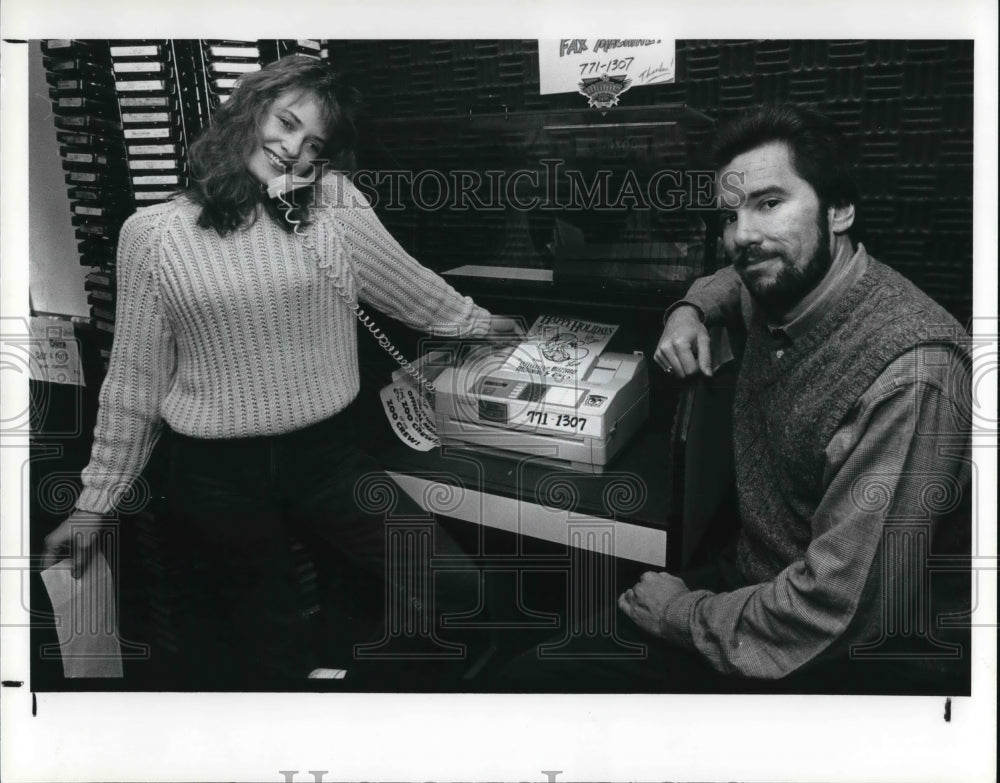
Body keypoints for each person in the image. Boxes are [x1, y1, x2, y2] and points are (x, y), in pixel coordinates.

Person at [41, 55, 519, 687]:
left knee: (450, 582)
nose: (294, 150)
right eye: (287, 122)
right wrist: (93, 504)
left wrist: (482, 324)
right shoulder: (151, 235)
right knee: (269, 643)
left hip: (325, 457)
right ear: (249, 111)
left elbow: (409, 288)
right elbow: (134, 382)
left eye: (314, 143)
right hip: (215, 474)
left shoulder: (332, 205)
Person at [505, 104, 972, 693]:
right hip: (753, 584)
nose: (742, 236)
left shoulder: (911, 375)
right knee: (533, 673)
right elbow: (730, 281)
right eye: (729, 216)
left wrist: (680, 614)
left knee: (539, 686)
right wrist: (688, 310)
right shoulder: (782, 284)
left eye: (769, 203)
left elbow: (835, 613)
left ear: (840, 210)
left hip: (849, 649)